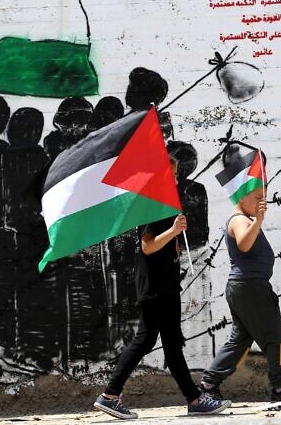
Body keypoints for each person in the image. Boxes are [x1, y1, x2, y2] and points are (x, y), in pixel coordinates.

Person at [93, 158, 231, 419]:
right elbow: (148, 246)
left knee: (171, 342)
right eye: (173, 175)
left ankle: (194, 399)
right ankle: (110, 394)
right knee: (145, 339)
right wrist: (173, 230)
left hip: (166, 282)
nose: (177, 180)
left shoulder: (163, 205)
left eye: (177, 175)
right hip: (154, 284)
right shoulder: (152, 206)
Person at [198, 146, 281, 406]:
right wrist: (258, 220)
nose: (264, 200)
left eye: (265, 195)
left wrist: (256, 218)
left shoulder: (247, 218)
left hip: (246, 287)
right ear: (242, 196)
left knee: (240, 339)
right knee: (278, 339)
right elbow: (244, 245)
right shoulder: (240, 219)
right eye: (258, 195)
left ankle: (208, 385)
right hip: (250, 287)